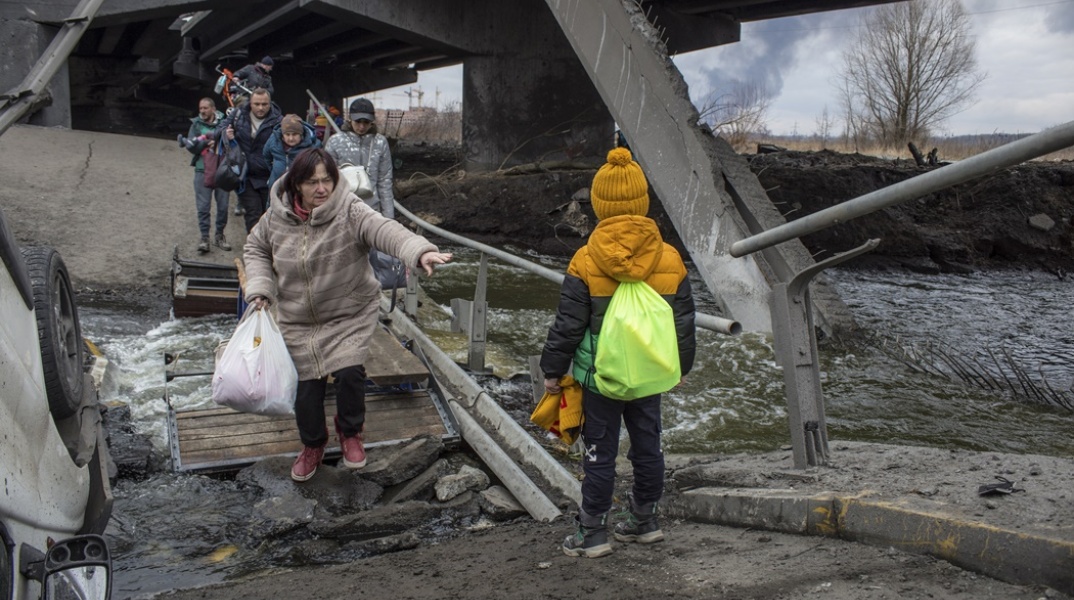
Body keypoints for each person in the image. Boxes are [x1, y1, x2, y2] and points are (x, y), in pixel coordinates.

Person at [242, 147, 452, 482]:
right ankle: (313, 445)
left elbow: (386, 230)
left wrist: (419, 251)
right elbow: (255, 250)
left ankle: (351, 433)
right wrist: (260, 289)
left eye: (327, 180)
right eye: (313, 182)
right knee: (307, 388)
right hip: (297, 317)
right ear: (296, 184)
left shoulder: (350, 210)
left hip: (348, 312)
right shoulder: (275, 218)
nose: (322, 188)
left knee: (350, 372)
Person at [539, 147, 696, 558]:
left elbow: (568, 326)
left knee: (599, 452)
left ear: (598, 205)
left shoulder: (586, 259)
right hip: (649, 375)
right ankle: (645, 521)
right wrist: (680, 368)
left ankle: (592, 533)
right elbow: (682, 323)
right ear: (643, 201)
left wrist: (552, 371)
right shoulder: (669, 258)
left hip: (600, 379)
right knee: (648, 446)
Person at [215, 88, 282, 232]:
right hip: (246, 176)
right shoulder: (238, 115)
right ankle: (254, 251)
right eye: (257, 104)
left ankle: (268, 250)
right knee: (253, 213)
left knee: (269, 215)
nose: (260, 108)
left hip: (269, 177)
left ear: (270, 103)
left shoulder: (278, 120)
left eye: (264, 104)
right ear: (250, 103)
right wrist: (225, 135)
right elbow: (218, 130)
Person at [324, 97, 396, 218]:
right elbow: (327, 179)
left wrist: (389, 218)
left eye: (366, 122)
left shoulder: (380, 142)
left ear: (372, 122)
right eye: (358, 122)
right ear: (350, 119)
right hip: (343, 210)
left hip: (372, 210)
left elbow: (385, 181)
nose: (362, 126)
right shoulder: (335, 142)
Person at [181, 97, 231, 253]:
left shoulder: (225, 122)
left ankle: (219, 236)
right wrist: (204, 143)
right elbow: (191, 146)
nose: (202, 111)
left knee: (223, 207)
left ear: (213, 109)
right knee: (203, 207)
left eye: (205, 108)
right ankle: (204, 238)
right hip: (202, 169)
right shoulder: (196, 125)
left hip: (223, 170)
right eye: (200, 108)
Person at [264, 114, 320, 190]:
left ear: (301, 134)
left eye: (295, 134)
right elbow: (266, 156)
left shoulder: (312, 146)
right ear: (282, 134)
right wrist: (274, 171)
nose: (291, 138)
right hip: (277, 186)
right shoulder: (273, 141)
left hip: (301, 188)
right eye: (287, 134)